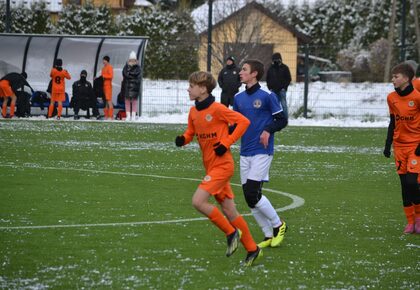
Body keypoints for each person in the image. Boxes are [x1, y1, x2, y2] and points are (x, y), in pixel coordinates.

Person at [175, 71, 262, 266]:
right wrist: (183, 139)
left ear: (203, 89)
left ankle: (231, 233)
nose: (188, 89)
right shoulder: (193, 112)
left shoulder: (217, 109)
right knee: (230, 212)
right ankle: (253, 249)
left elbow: (243, 122)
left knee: (198, 201)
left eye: (191, 86)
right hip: (210, 167)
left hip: (222, 166)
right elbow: (191, 132)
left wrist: (226, 142)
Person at [233, 59, 288, 248]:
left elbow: (281, 120)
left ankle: (278, 225)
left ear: (254, 73)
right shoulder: (238, 98)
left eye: (244, 69)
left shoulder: (267, 96)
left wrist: (267, 130)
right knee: (250, 198)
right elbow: (234, 124)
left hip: (262, 152)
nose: (240, 72)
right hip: (245, 151)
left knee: (252, 192)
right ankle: (267, 235)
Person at [383, 62, 420, 234]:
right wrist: (387, 143)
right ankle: (410, 222)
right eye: (392, 76)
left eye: (396, 77)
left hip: (415, 145)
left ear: (406, 78)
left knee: (413, 182)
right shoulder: (391, 98)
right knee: (404, 185)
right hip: (400, 146)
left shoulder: (417, 97)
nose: (393, 80)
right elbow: (393, 122)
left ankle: (418, 218)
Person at [266, 52, 291, 119]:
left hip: (282, 90)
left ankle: (285, 119)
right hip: (273, 90)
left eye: (277, 59)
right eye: (275, 60)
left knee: (283, 105)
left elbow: (288, 79)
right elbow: (268, 79)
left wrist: (284, 87)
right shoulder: (270, 68)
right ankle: (275, 118)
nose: (276, 61)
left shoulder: (285, 68)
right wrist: (270, 87)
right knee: (274, 105)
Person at [122, 51, 141, 121]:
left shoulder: (138, 68)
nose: (132, 61)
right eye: (131, 60)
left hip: (134, 88)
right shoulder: (126, 67)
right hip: (127, 87)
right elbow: (124, 74)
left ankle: (133, 116)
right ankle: (128, 116)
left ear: (136, 60)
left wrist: (129, 75)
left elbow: (137, 77)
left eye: (134, 60)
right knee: (127, 102)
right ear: (129, 60)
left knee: (134, 102)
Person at [101, 55, 114, 120]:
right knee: (105, 101)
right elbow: (102, 77)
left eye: (104, 60)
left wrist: (104, 76)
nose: (103, 61)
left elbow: (111, 76)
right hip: (104, 86)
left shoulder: (110, 67)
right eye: (103, 60)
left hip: (108, 86)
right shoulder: (103, 68)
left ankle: (110, 116)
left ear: (107, 60)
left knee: (109, 100)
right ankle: (106, 115)